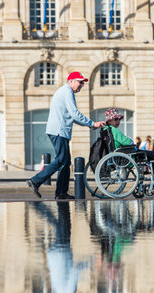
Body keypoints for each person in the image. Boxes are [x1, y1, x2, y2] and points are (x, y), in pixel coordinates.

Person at [27, 71, 105, 199]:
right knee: (61, 160)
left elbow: (71, 116)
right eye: (80, 82)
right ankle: (35, 180)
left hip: (59, 131)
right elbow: (75, 114)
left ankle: (61, 193)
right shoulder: (67, 91)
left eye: (82, 83)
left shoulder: (64, 91)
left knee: (66, 162)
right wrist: (92, 123)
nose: (81, 85)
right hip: (59, 131)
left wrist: (90, 124)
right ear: (71, 81)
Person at [103, 107, 154, 188]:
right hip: (128, 155)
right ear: (109, 120)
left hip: (122, 155)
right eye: (116, 119)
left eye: (119, 119)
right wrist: (132, 142)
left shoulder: (106, 130)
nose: (118, 121)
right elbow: (128, 142)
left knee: (153, 157)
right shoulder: (113, 130)